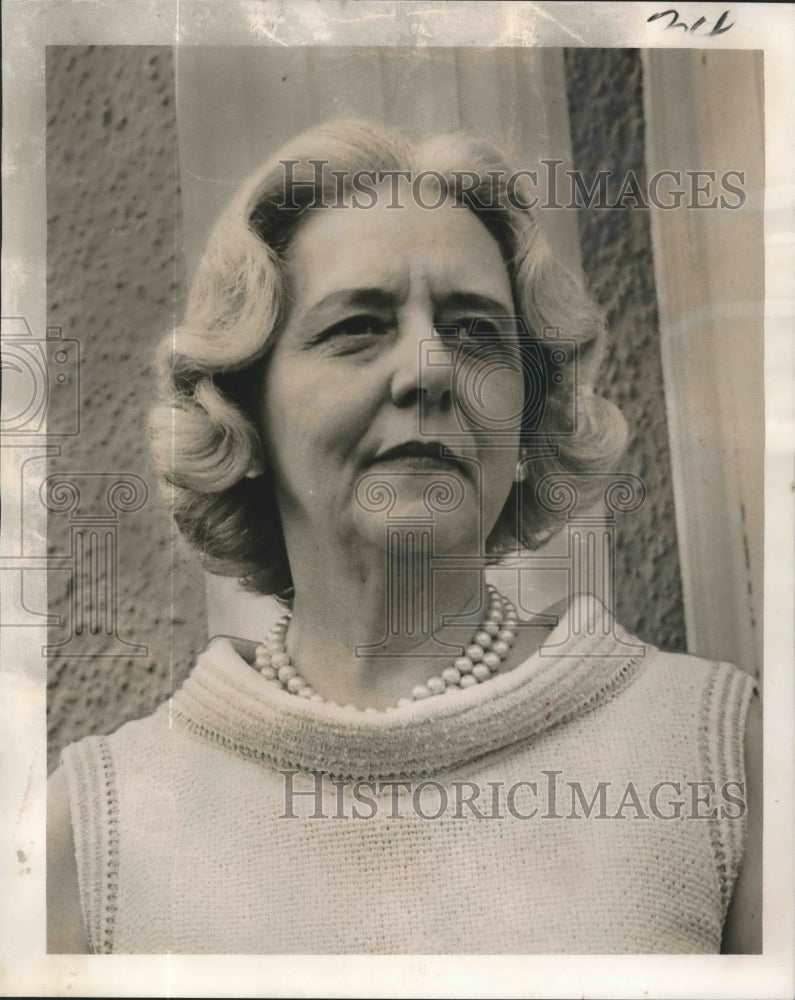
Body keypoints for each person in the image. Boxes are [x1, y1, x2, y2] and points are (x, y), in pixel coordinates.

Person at [47, 119, 761, 954]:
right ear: (242, 413)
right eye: (356, 327)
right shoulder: (95, 829)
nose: (429, 371)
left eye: (474, 332)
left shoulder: (718, 757)